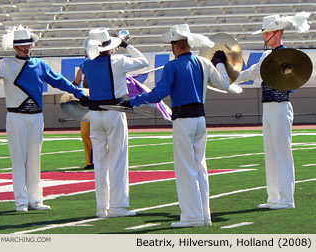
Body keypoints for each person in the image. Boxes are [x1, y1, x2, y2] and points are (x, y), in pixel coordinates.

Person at [121, 24, 231, 227]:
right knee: (200, 167)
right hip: (200, 119)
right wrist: (221, 64)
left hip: (183, 120)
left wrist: (132, 102)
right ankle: (204, 215)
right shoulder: (203, 63)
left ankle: (191, 217)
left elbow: (158, 94)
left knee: (186, 169)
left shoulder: (172, 66)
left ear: (176, 45)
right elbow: (225, 85)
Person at [0, 25, 89, 212]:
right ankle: (21, 201)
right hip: (16, 116)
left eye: (29, 44)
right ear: (14, 46)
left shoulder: (40, 64)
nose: (26, 47)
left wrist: (78, 93)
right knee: (18, 159)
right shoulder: (5, 64)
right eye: (22, 45)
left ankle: (36, 199)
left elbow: (59, 80)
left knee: (34, 159)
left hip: (36, 116)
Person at [233, 12, 310, 210]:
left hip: (281, 106)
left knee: (283, 153)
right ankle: (274, 197)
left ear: (276, 33)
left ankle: (287, 198)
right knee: (270, 153)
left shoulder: (288, 55)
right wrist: (228, 78)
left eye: (266, 33)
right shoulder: (267, 56)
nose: (264, 36)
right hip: (267, 107)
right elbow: (251, 73)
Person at [79, 27, 148, 218]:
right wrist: (125, 44)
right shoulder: (118, 60)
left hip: (95, 114)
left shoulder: (86, 64)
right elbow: (144, 61)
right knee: (118, 159)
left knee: (100, 161)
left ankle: (102, 208)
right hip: (114, 112)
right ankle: (118, 206)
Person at [73, 69, 94, 170]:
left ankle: (98, 160)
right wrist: (79, 75)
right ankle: (89, 162)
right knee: (84, 133)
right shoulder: (84, 68)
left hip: (100, 102)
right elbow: (74, 85)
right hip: (87, 105)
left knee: (100, 133)